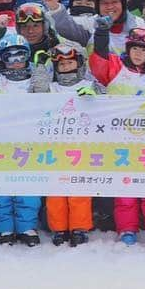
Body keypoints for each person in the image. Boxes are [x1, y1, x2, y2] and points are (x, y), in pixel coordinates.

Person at [90, 22, 145, 244]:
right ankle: (126, 228)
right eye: (135, 49)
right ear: (128, 49)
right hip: (119, 140)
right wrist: (101, 34)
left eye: (144, 50)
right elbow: (98, 63)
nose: (138, 54)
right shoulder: (117, 67)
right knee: (124, 187)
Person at [0, 32, 43, 245]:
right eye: (9, 57)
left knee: (28, 188)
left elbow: (48, 102)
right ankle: (5, 229)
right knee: (1, 188)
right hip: (0, 143)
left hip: (28, 144)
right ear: (1, 59)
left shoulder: (36, 81)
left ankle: (27, 227)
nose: (15, 62)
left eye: (20, 56)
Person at [29, 44, 96, 245]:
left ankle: (80, 227)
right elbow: (37, 93)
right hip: (55, 147)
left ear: (79, 63)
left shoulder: (89, 84)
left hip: (81, 147)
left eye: (70, 62)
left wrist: (94, 96)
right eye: (62, 64)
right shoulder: (53, 87)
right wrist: (40, 67)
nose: (66, 66)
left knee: (79, 191)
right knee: (55, 191)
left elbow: (108, 102)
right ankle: (59, 228)